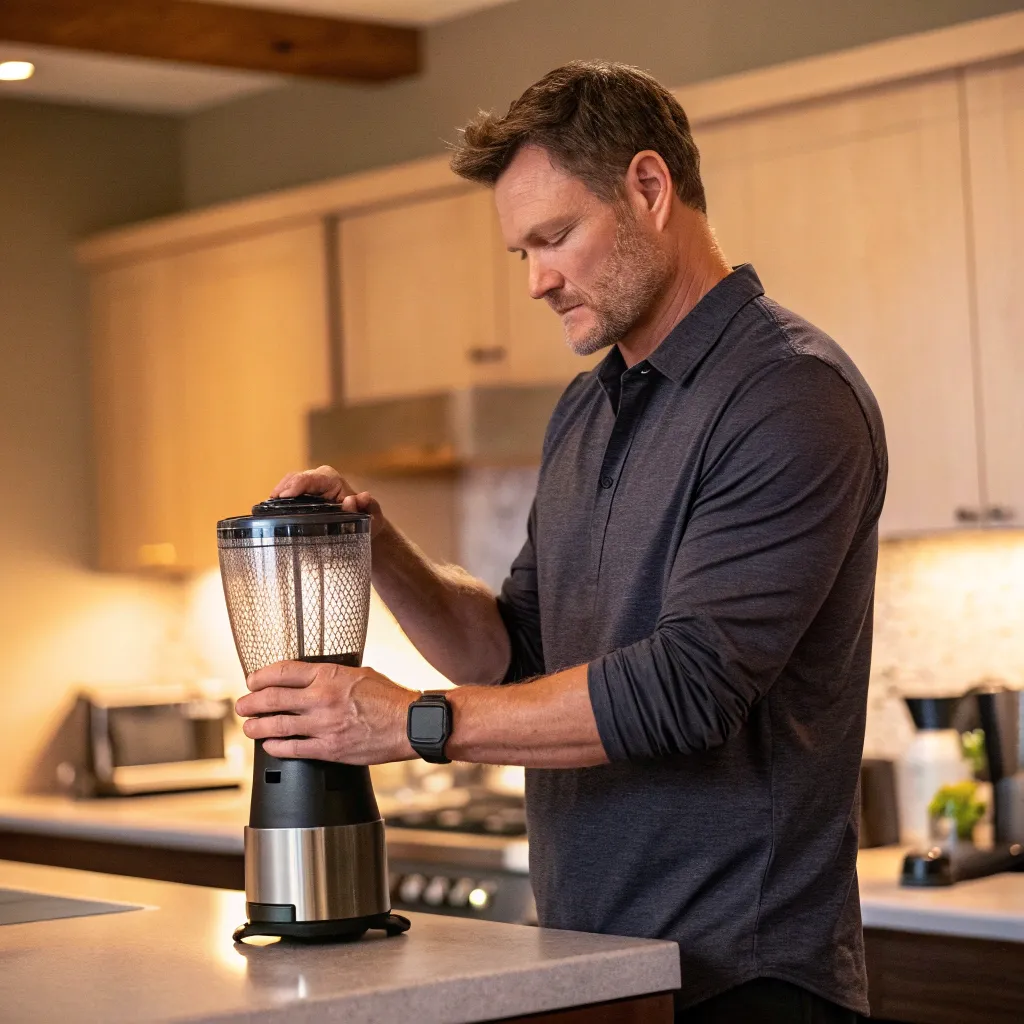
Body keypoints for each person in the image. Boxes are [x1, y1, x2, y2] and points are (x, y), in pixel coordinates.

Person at [235, 61, 887, 1023]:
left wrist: (411, 722)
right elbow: (517, 652)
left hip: (745, 977)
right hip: (594, 965)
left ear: (649, 188)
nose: (538, 280)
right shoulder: (588, 409)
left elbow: (688, 688)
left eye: (556, 238)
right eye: (521, 254)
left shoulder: (787, 395)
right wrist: (379, 550)